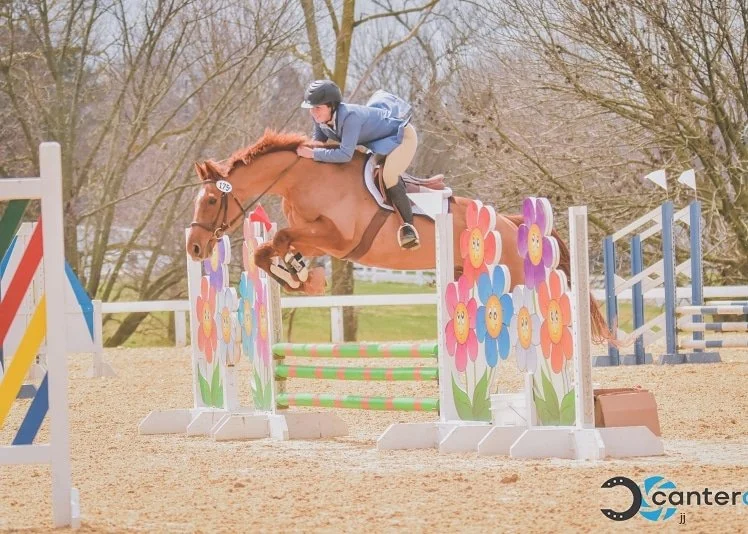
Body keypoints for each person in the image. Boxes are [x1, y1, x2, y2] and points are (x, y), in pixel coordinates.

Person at [295, 79, 420, 249]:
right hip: (379, 143)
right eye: (311, 108)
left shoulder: (350, 117)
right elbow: (317, 145)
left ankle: (408, 228)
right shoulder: (322, 121)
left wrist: (313, 154)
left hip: (401, 138)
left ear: (331, 106)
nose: (313, 113)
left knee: (388, 176)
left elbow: (345, 154)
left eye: (317, 108)